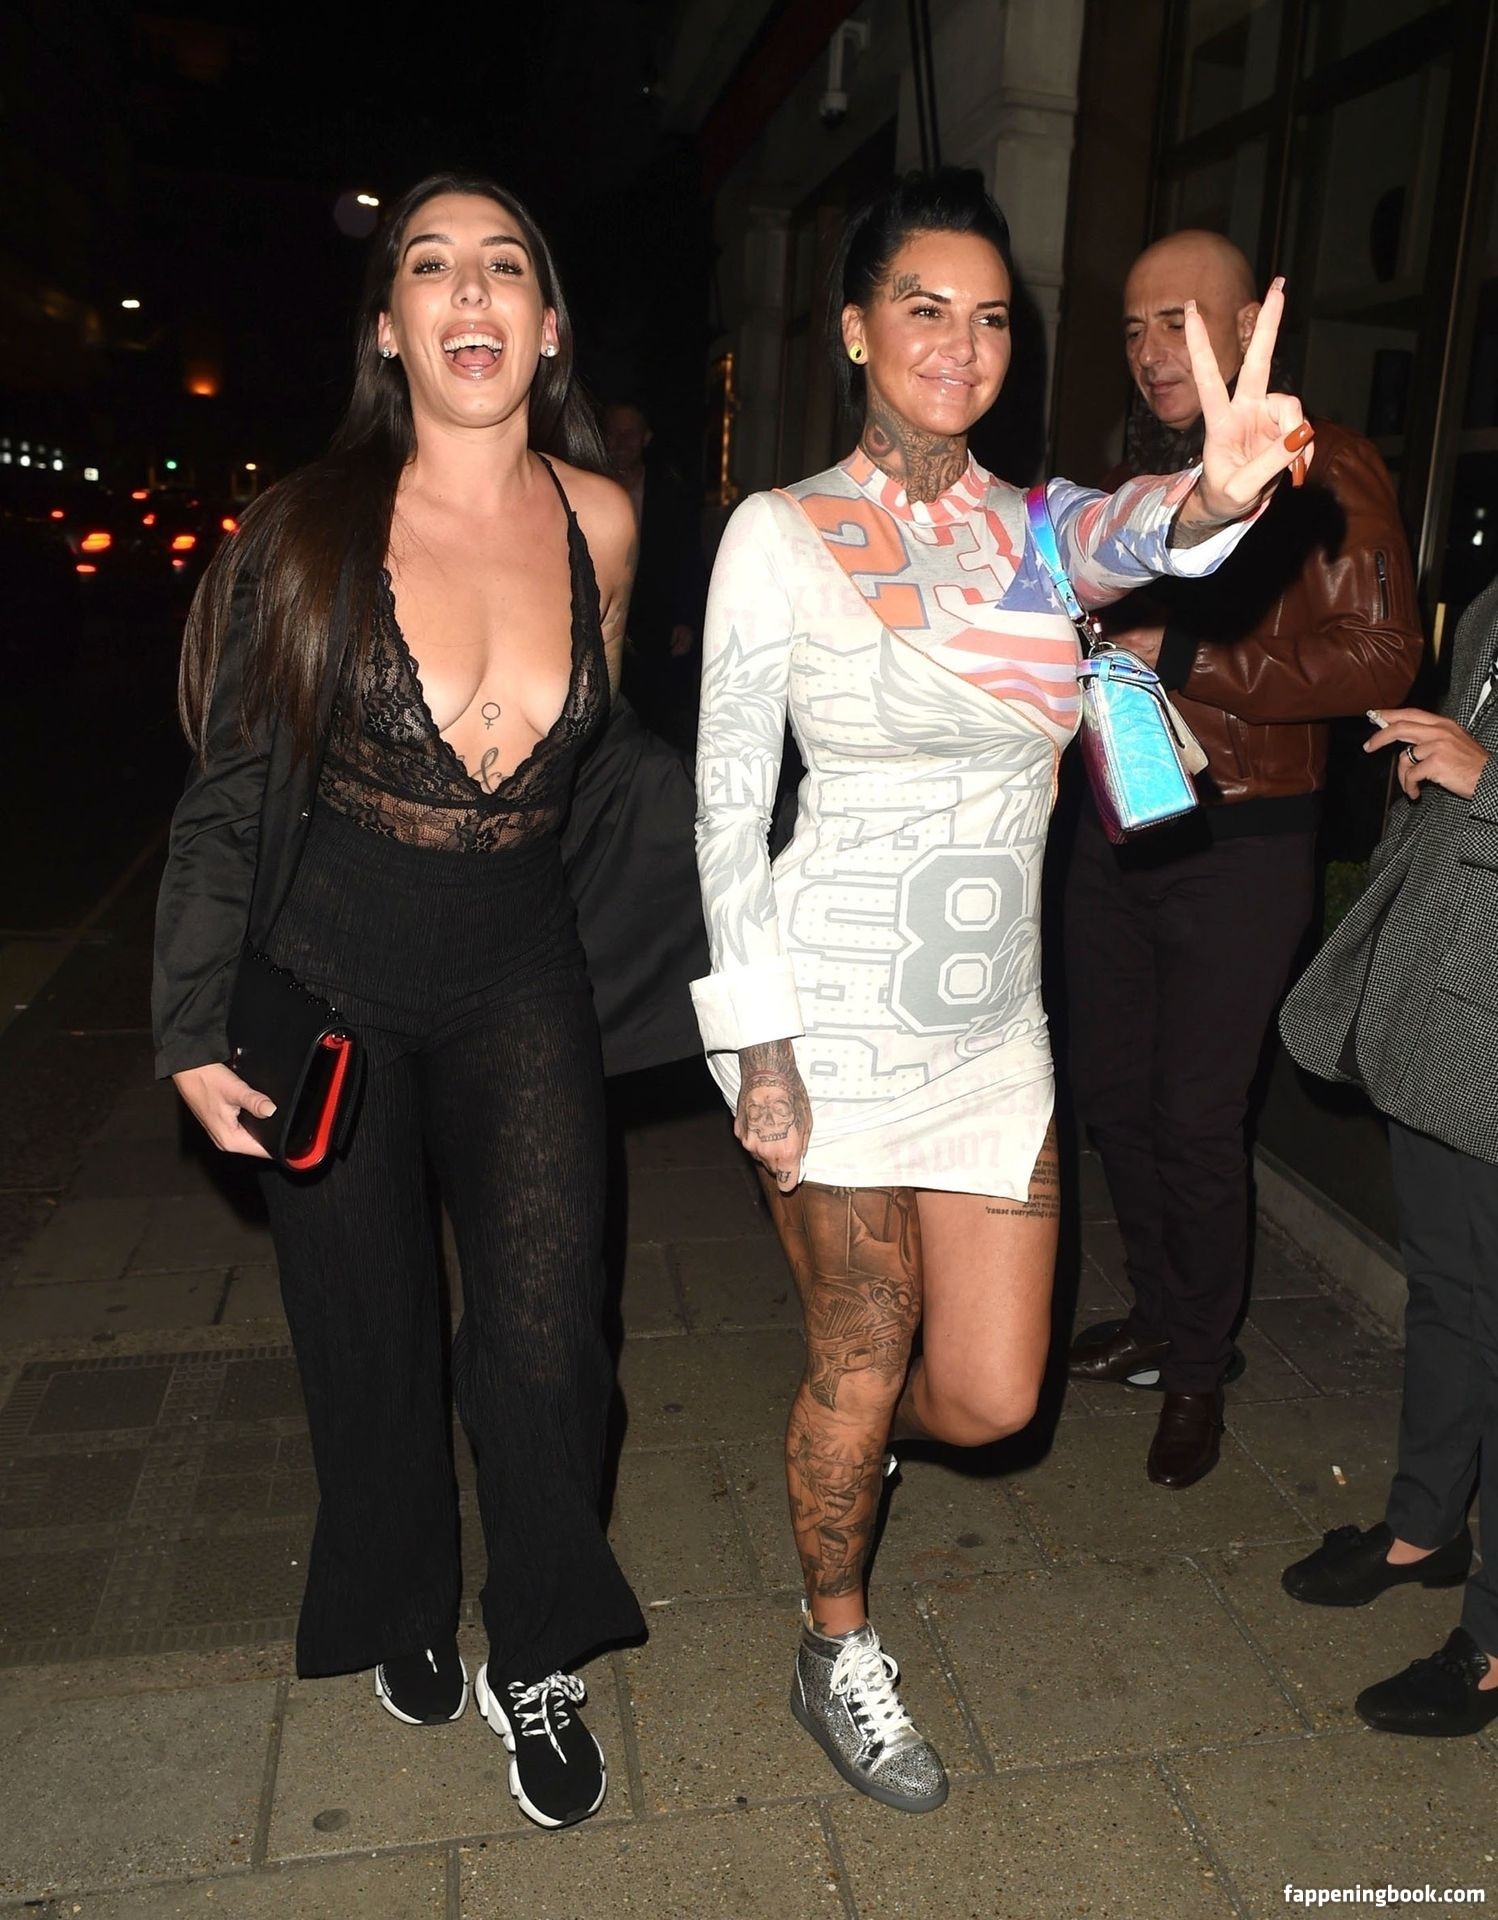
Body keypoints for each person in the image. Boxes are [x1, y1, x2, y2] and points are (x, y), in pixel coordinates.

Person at [691, 169, 1313, 1812]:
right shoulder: (779, 534)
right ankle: (834, 1643)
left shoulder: (1035, 532)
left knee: (985, 1396)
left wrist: (1218, 492)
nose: (957, 344)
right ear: (854, 329)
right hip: (826, 1020)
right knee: (860, 1343)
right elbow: (724, 807)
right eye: (922, 307)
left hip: (989, 1038)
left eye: (987, 319)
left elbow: (1146, 532)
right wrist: (755, 1044)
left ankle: (843, 1447)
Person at [153, 173, 658, 1833]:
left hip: (519, 970)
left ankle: (541, 1646)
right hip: (334, 976)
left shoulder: (602, 523)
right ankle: (401, 1594)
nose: (470, 290)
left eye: (504, 265)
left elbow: (597, 776)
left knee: (546, 1333)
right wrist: (189, 1024)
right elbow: (232, 788)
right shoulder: (304, 528)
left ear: (547, 327)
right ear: (390, 327)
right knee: (365, 1339)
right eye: (430, 265)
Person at [1064, 230, 1422, 1489]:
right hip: (1119, 817)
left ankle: (1199, 1370)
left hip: (1246, 833)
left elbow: (1382, 655)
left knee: (1195, 1116)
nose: (1151, 351)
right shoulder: (1132, 486)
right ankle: (1161, 1316)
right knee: (1114, 1098)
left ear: (1238, 330)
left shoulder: (1325, 466)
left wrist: (1188, 657)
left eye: (1176, 323)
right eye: (1132, 328)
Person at [1276, 575, 1498, 1738]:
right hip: (1448, 1008)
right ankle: (1423, 1524)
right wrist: (1430, 779)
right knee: (1450, 1294)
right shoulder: (1495, 602)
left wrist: (1486, 781)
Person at [602, 399, 707, 751]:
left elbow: (688, 557)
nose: (620, 442)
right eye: (613, 433)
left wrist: (686, 619)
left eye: (629, 434)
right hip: (599, 619)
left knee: (656, 717)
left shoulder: (670, 490)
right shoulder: (585, 486)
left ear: (646, 438)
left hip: (655, 624)